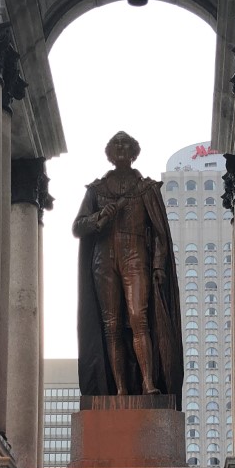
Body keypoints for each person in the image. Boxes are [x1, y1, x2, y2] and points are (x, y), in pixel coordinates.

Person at [73, 131, 183, 399]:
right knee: (110, 325)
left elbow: (158, 231)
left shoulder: (145, 188)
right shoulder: (97, 190)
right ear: (110, 152)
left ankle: (147, 383)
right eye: (116, 144)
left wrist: (158, 265)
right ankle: (120, 388)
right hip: (104, 259)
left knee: (138, 318)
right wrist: (100, 216)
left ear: (134, 152)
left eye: (126, 145)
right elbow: (78, 227)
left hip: (136, 257)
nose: (121, 148)